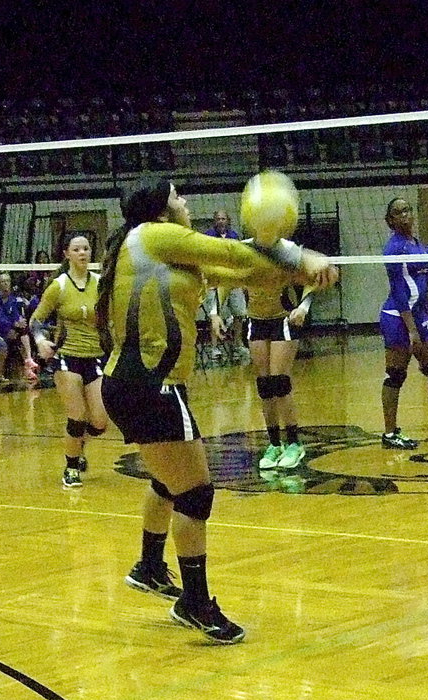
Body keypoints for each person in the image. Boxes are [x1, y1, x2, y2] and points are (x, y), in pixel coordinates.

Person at [98, 178, 337, 644]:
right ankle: (195, 602)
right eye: (178, 196)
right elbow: (233, 255)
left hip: (131, 385)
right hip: (153, 387)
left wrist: (296, 271)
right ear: (162, 209)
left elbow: (246, 272)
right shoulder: (152, 234)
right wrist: (302, 257)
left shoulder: (168, 253)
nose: (186, 202)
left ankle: (149, 567)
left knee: (170, 481)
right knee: (196, 494)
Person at [30, 233, 108, 488]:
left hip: (95, 356)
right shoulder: (59, 286)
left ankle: (79, 445)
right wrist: (41, 341)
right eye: (77, 249)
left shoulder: (100, 283)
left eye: (86, 248)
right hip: (68, 358)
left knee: (99, 422)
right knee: (77, 416)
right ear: (67, 254)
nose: (83, 253)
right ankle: (71, 467)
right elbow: (36, 321)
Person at [379, 197, 428, 449]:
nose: (405, 215)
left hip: (420, 315)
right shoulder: (394, 249)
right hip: (398, 317)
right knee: (396, 375)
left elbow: (422, 288)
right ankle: (390, 433)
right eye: (398, 213)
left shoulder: (417, 244)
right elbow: (401, 292)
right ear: (390, 221)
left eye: (407, 210)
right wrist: (412, 330)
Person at [228, 273, 315, 470]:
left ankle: (294, 444)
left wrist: (303, 307)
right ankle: (275, 444)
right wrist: (214, 313)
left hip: (283, 320)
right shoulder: (246, 252)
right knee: (265, 386)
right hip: (256, 322)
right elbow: (225, 282)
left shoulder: (285, 253)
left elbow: (313, 279)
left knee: (279, 382)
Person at [203, 209, 249, 360]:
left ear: (228, 220)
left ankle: (237, 345)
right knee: (214, 315)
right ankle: (214, 347)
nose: (221, 221)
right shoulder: (209, 236)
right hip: (215, 283)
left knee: (240, 313)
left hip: (233, 281)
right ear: (214, 221)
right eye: (218, 219)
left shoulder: (234, 236)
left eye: (223, 218)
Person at [0, 272, 37, 385]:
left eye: (8, 281)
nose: (6, 283)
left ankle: (28, 364)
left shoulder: (13, 298)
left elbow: (16, 315)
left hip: (12, 330)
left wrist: (19, 322)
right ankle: (1, 372)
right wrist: (13, 325)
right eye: (3, 281)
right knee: (13, 338)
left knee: (25, 331)